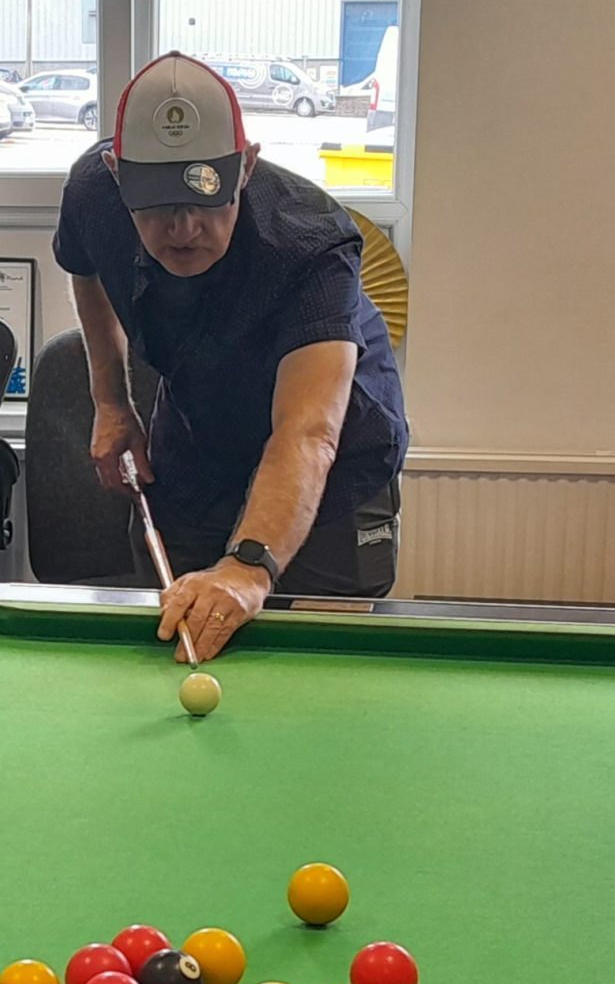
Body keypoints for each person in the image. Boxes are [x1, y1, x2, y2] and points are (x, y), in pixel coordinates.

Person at [54, 51, 409, 661]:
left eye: (205, 194)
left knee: (319, 667)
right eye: (158, 202)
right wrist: (111, 403)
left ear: (245, 166)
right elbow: (84, 269)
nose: (183, 227)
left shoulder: (313, 244)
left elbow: (307, 434)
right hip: (198, 439)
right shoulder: (93, 189)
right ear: (117, 174)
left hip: (335, 466)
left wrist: (247, 568)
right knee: (182, 633)